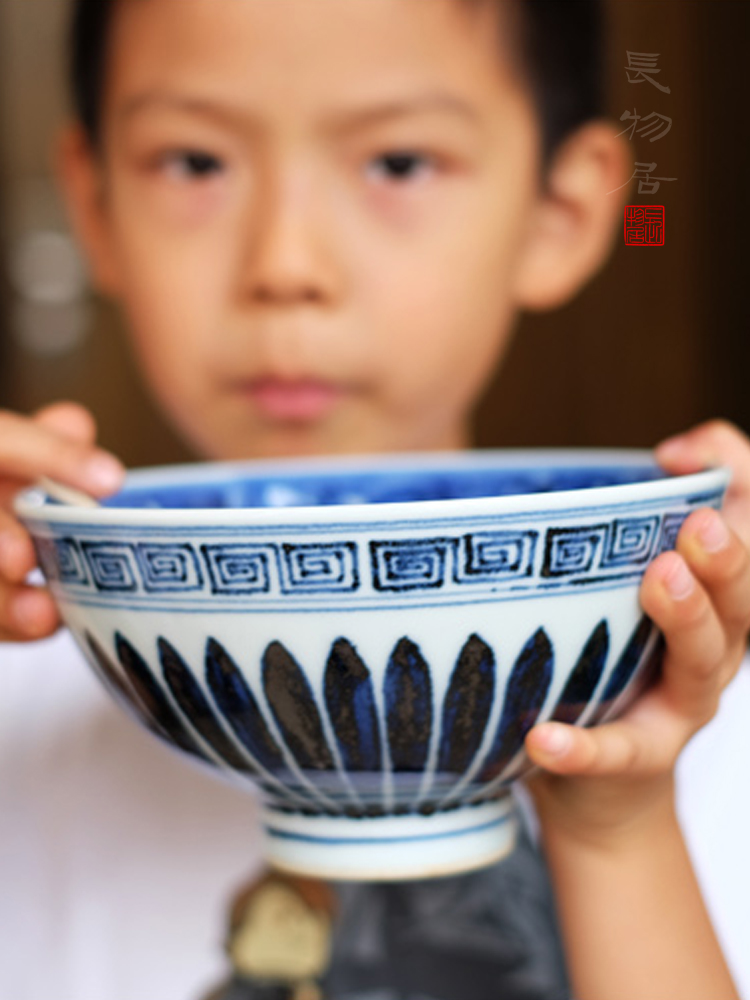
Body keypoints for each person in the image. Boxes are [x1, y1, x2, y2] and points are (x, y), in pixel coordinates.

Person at [0, 1, 749, 998]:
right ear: (91, 205)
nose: (286, 265)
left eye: (397, 163)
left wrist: (616, 822)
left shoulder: (701, 694)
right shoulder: (20, 685)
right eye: (194, 163)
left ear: (558, 213)